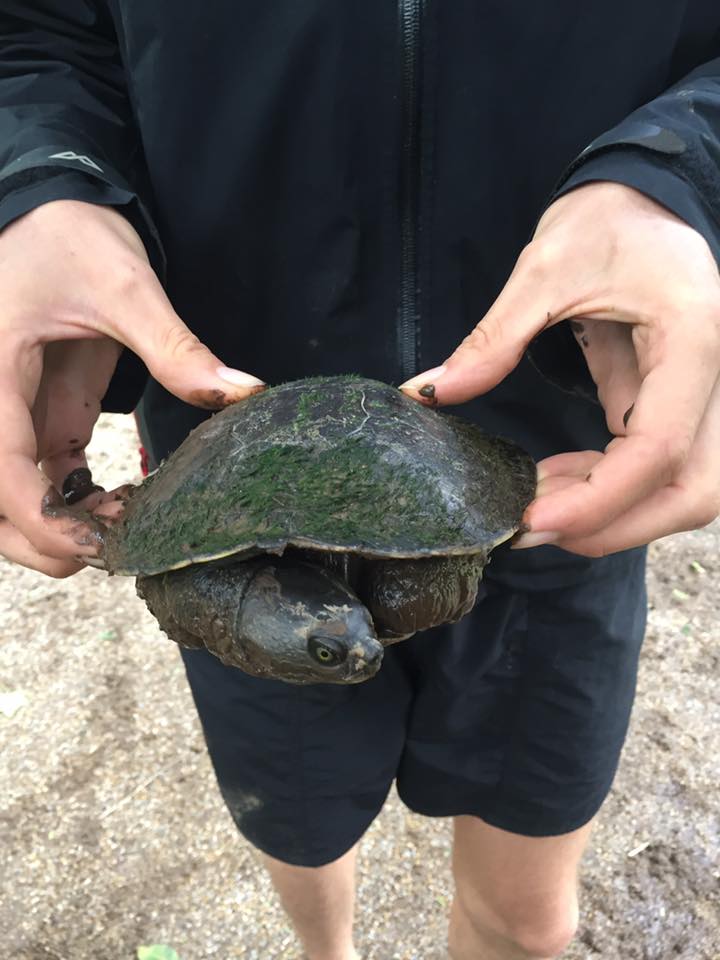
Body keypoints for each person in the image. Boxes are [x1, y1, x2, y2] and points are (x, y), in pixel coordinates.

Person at [1, 4, 719, 959]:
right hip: (236, 492)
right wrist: (44, 186)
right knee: (299, 827)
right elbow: (34, 29)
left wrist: (679, 179)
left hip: (557, 468)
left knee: (528, 919)